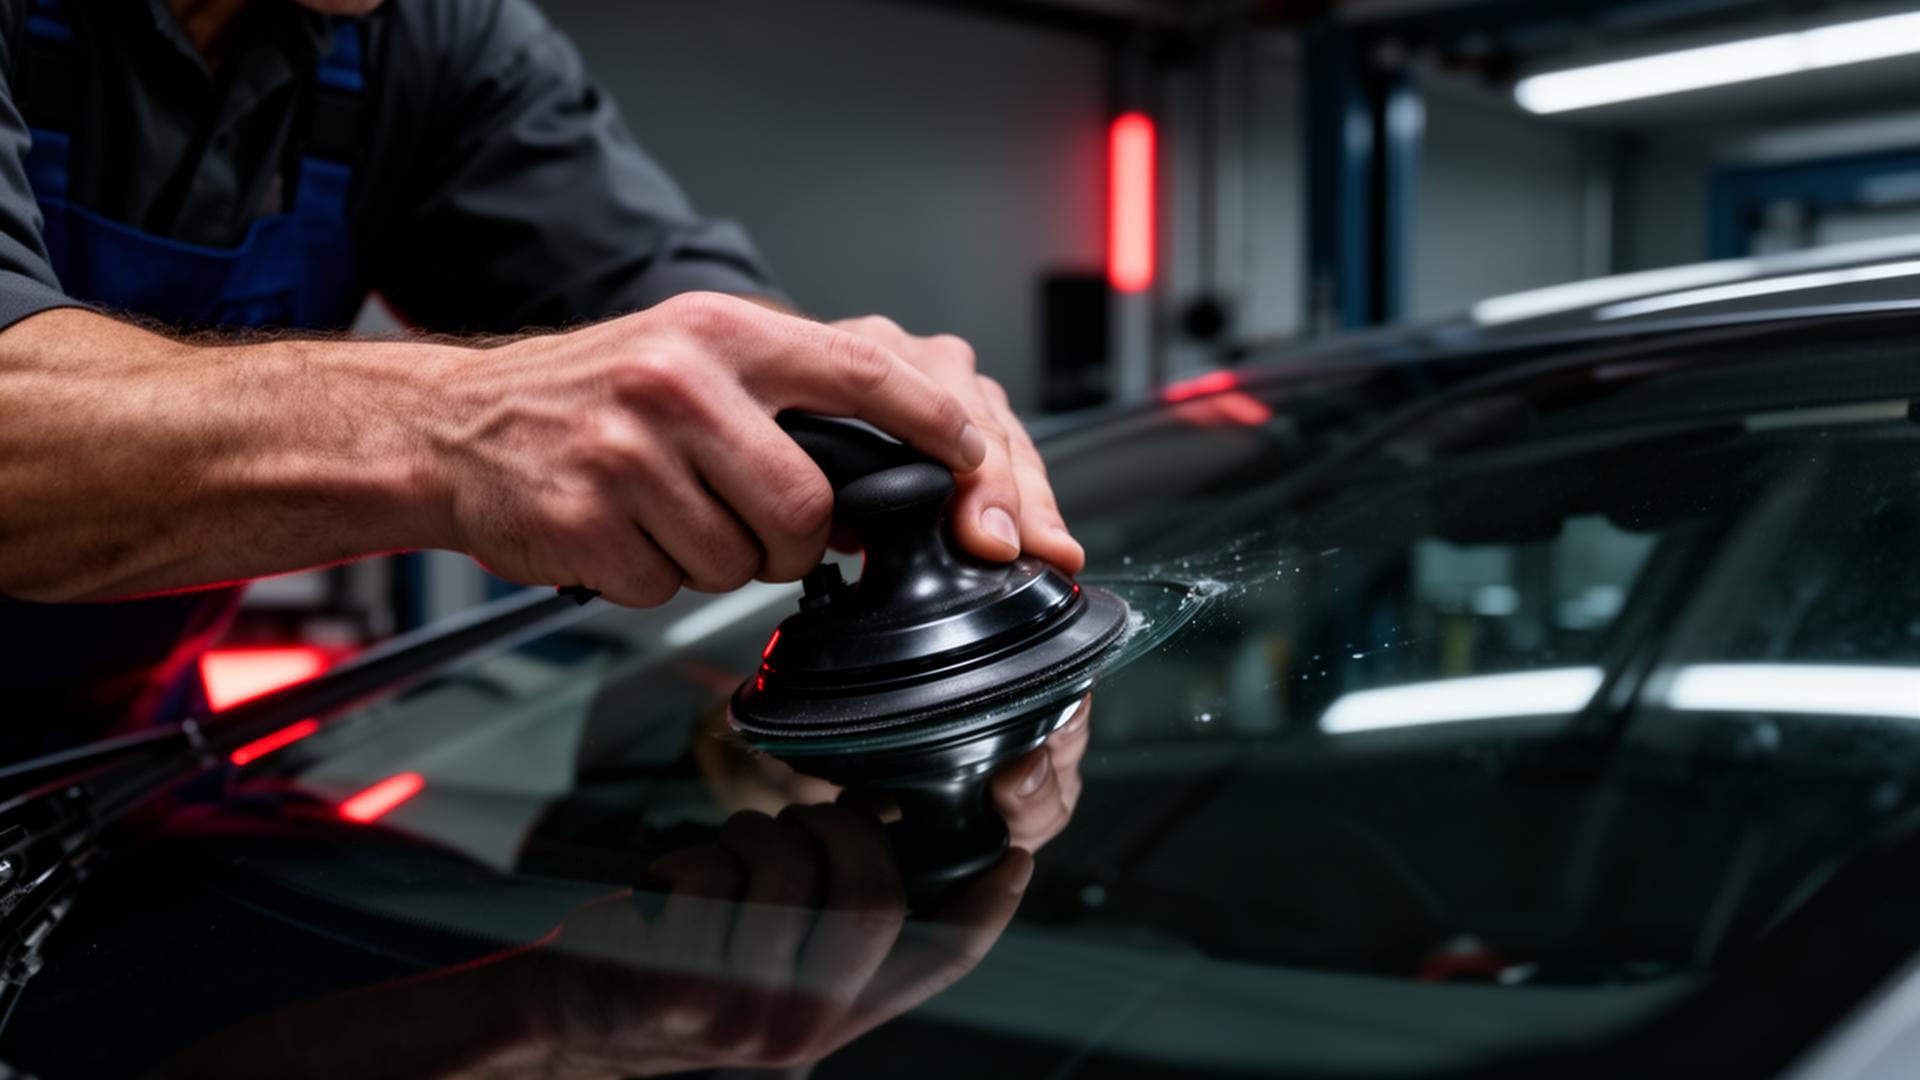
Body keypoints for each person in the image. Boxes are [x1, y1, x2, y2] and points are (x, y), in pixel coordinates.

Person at [0, 0, 1085, 750]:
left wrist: (839, 399)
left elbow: (657, 282)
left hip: (132, 757)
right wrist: (459, 429)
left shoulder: (429, 37)